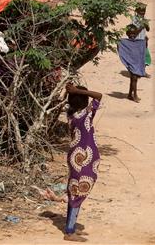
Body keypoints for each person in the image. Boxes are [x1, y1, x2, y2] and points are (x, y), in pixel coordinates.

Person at [64, 83, 103, 242]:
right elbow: (99, 96)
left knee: (75, 191)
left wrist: (73, 92)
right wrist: (77, 91)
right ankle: (69, 232)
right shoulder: (85, 115)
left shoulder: (73, 114)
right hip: (82, 160)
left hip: (78, 158)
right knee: (78, 193)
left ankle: (70, 227)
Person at [118, 25, 147, 102]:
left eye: (134, 34)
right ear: (127, 34)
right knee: (134, 78)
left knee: (133, 79)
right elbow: (121, 49)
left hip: (136, 63)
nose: (132, 35)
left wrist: (146, 42)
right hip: (130, 63)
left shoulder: (139, 42)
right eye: (130, 34)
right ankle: (135, 95)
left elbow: (143, 50)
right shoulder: (124, 42)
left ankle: (130, 94)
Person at [132, 3, 151, 75]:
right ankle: (138, 71)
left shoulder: (144, 18)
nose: (143, 12)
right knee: (138, 56)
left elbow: (148, 29)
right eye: (141, 11)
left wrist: (146, 24)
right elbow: (134, 31)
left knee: (146, 56)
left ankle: (142, 71)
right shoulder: (134, 19)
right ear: (136, 11)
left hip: (143, 40)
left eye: (144, 11)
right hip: (136, 40)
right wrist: (142, 26)